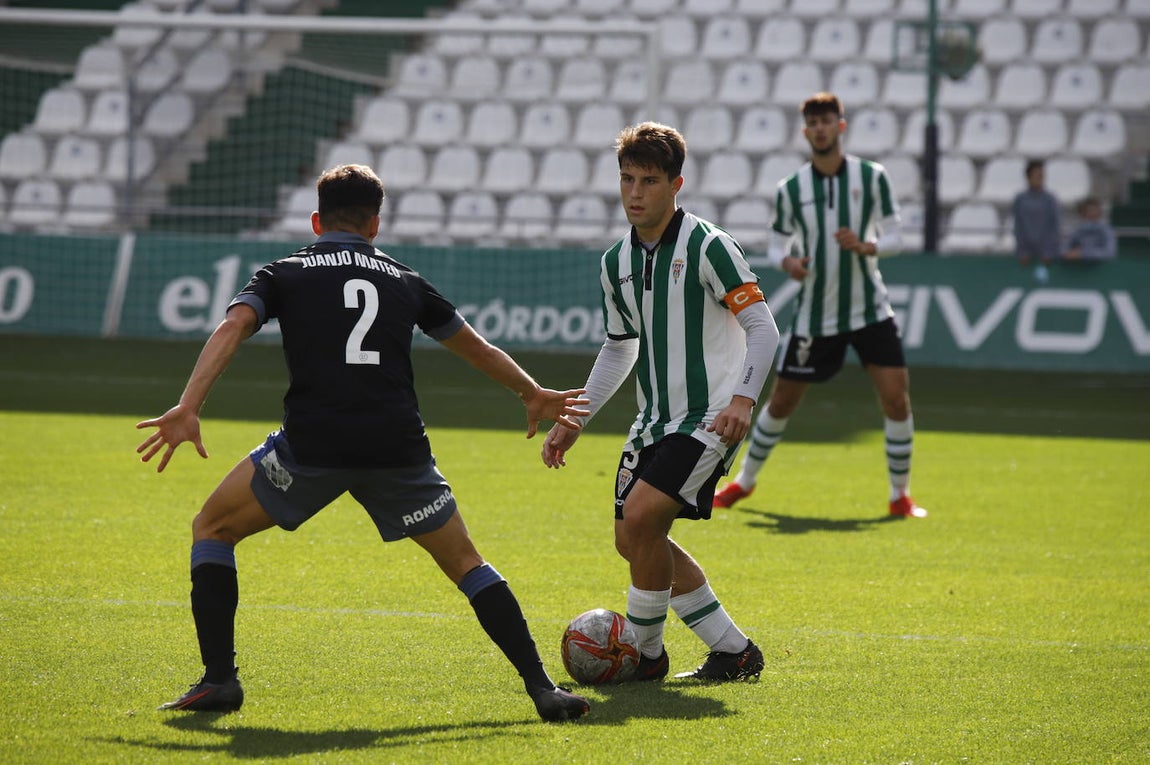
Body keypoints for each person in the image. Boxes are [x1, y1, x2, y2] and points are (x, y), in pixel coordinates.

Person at [136, 164, 591, 723]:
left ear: (315, 219)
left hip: (311, 449)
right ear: (376, 223)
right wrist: (533, 392)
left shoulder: (284, 271)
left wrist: (188, 406)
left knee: (212, 528)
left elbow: (232, 328)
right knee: (467, 563)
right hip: (397, 451)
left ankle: (219, 680)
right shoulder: (405, 279)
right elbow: (475, 346)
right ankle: (543, 688)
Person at [541, 122, 781, 683]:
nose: (635, 193)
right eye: (627, 179)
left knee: (646, 518)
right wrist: (576, 418)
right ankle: (734, 651)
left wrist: (743, 401)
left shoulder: (709, 245)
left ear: (676, 184)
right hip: (653, 422)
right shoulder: (614, 262)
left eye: (649, 180)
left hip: (710, 415)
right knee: (634, 540)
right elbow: (619, 347)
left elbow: (763, 329)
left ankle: (645, 658)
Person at [713, 92, 927, 520]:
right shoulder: (791, 189)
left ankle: (899, 495)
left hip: (871, 311)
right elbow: (776, 245)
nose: (821, 128)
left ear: (841, 126)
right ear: (805, 130)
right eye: (814, 122)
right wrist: (788, 261)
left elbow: (898, 238)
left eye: (828, 120)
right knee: (782, 402)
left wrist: (868, 246)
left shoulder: (872, 177)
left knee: (897, 401)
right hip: (816, 316)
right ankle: (745, 482)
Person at [1012, 159, 1062, 283]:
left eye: (1042, 176)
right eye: (1037, 176)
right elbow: (1018, 226)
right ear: (1028, 177)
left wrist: (1050, 250)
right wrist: (1022, 250)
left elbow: (1054, 225)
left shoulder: (1050, 199)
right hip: (1026, 252)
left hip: (1046, 253)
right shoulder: (1020, 199)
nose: (1040, 179)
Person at [1064, 197, 1117, 261]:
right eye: (1089, 212)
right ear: (1081, 214)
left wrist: (1083, 254)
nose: (1093, 214)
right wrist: (1070, 253)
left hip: (1100, 269)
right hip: (1077, 268)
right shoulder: (1075, 231)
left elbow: (1110, 252)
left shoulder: (1107, 231)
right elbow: (1063, 250)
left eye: (1096, 212)